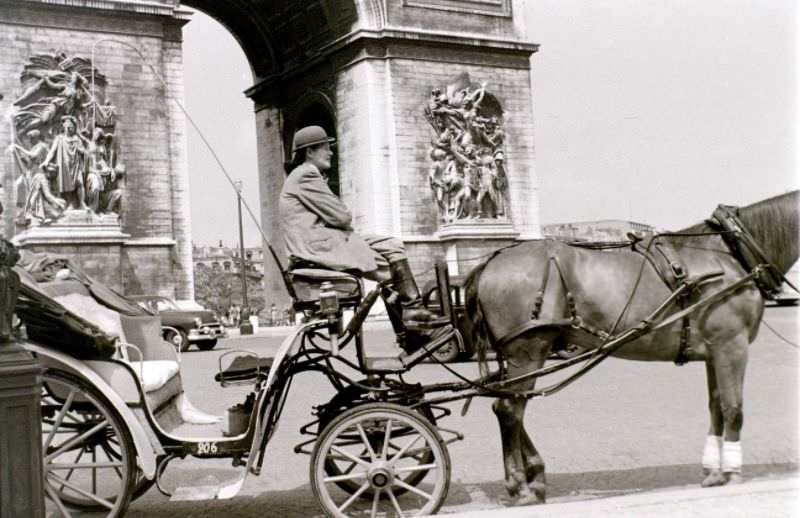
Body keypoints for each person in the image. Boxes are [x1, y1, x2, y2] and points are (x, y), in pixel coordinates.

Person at [279, 125, 450, 349]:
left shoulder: (303, 175)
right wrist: (334, 214)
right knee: (388, 272)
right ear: (309, 151)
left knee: (393, 245)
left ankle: (412, 316)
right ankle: (412, 324)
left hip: (326, 240)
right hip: (320, 247)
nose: (331, 152)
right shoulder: (306, 174)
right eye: (326, 148)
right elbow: (342, 216)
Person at [42, 115, 88, 210]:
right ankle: (70, 204)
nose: (70, 128)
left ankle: (82, 203)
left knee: (80, 183)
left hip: (76, 165)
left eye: (72, 126)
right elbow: (52, 151)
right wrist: (46, 161)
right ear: (64, 127)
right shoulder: (59, 138)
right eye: (68, 126)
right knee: (68, 184)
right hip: (64, 165)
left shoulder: (76, 139)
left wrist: (83, 151)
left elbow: (83, 151)